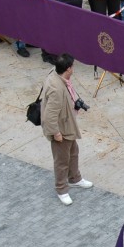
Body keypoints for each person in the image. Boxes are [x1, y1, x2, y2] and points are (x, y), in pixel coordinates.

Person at [41, 54, 92, 205]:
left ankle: (74, 178)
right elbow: (50, 115)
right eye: (73, 66)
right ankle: (61, 189)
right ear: (68, 69)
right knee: (62, 160)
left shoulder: (55, 74)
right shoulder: (56, 89)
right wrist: (56, 133)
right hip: (61, 129)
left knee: (73, 152)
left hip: (68, 124)